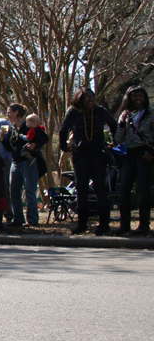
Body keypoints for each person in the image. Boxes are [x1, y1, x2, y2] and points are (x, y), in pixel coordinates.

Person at [57, 87, 118, 234]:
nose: (91, 100)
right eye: (87, 98)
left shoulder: (100, 111)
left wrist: (115, 141)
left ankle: (104, 223)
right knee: (81, 188)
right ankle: (82, 224)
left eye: (92, 97)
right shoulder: (73, 112)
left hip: (98, 154)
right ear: (79, 100)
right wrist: (64, 146)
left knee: (100, 188)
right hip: (81, 156)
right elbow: (63, 129)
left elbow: (114, 125)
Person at [114, 85, 154, 235]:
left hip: (145, 152)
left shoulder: (150, 113)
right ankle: (124, 225)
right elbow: (118, 139)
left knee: (144, 188)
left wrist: (152, 152)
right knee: (124, 188)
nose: (138, 99)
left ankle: (144, 225)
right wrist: (122, 122)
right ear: (129, 98)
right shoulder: (126, 114)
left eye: (141, 96)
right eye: (135, 96)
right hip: (130, 153)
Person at [1, 103, 48, 227]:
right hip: (15, 162)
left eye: (9, 112)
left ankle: (32, 220)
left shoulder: (29, 126)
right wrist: (2, 138)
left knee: (29, 191)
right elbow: (10, 148)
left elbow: (44, 138)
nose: (7, 115)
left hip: (29, 162)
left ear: (16, 113)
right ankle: (18, 219)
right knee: (14, 191)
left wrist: (34, 145)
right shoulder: (11, 129)